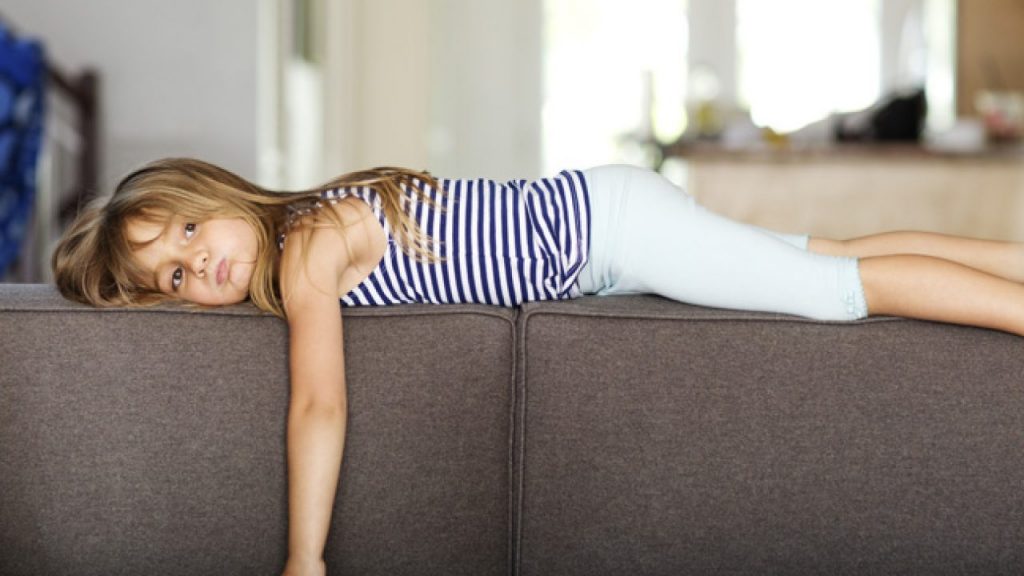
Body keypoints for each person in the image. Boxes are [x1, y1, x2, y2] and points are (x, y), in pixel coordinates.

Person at [51, 158, 1024, 575]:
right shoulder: (300, 239)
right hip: (607, 215)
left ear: (218, 193)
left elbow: (318, 404)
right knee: (826, 252)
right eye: (174, 276)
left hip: (614, 230)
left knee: (832, 288)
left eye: (190, 232)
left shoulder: (304, 248)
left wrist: (304, 556)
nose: (201, 265)